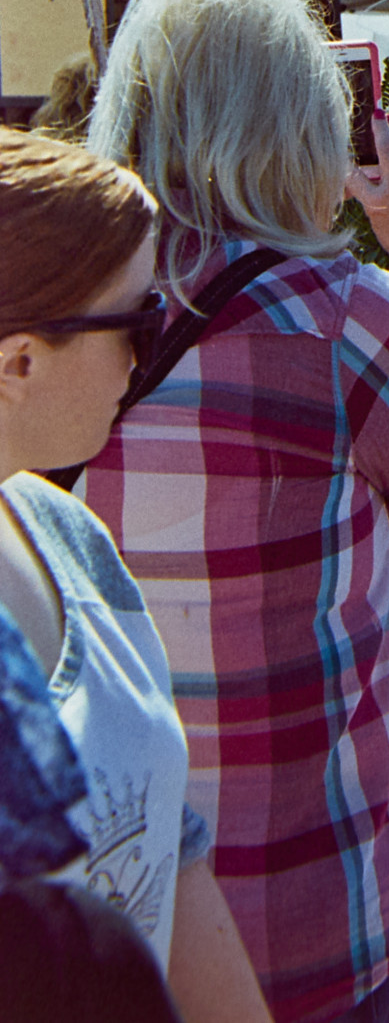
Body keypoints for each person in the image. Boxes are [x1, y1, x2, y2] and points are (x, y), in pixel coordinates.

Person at [82, 0, 389, 1023]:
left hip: (110, 932)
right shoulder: (340, 317)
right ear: (303, 122)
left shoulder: (60, 325)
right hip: (318, 931)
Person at [0, 126, 271, 1022]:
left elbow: (167, 840)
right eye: (138, 322)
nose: (149, 355)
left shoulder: (69, 536)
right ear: (20, 361)